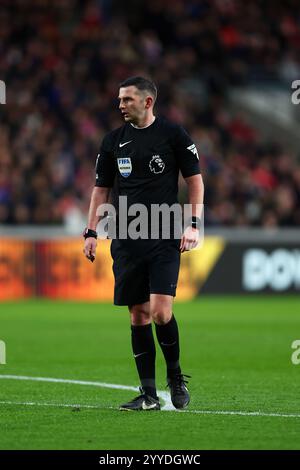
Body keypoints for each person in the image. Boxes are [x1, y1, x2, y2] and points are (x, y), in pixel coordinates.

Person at [83, 76, 204, 411]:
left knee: (161, 312)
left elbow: (195, 182)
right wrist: (91, 232)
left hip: (164, 235)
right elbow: (100, 190)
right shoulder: (112, 142)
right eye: (120, 99)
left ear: (147, 102)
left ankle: (175, 377)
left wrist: (193, 224)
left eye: (127, 100)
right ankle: (148, 395)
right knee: (138, 315)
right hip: (126, 238)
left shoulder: (173, 135)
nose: (121, 105)